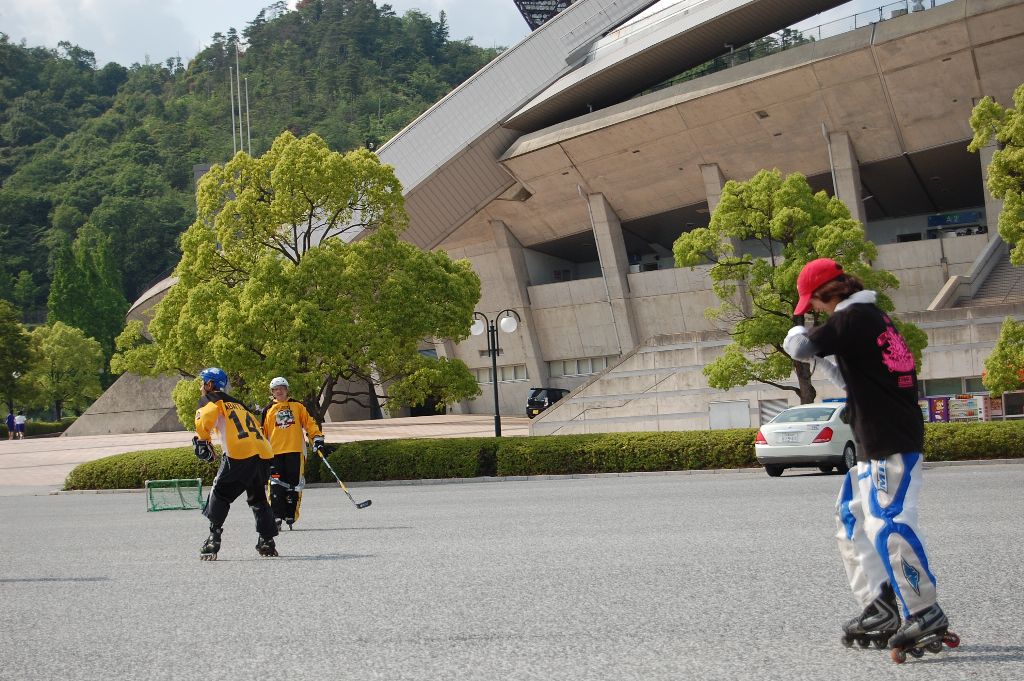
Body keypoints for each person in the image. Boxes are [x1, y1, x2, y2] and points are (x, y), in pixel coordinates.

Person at [783, 258, 956, 661]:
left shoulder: (853, 318)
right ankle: (879, 604)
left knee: (889, 521)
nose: (815, 311)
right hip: (875, 438)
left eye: (816, 304)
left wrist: (796, 336)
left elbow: (803, 345)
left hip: (887, 439)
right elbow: (852, 379)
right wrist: (819, 358)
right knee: (852, 518)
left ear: (831, 293)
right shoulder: (871, 319)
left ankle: (923, 608)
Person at [193, 367, 279, 560]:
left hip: (240, 453)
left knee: (220, 493)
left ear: (210, 384)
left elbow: (205, 417)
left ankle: (213, 538)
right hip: (263, 452)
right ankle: (267, 540)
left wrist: (202, 439)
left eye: (203, 382)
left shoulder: (212, 397)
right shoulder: (239, 405)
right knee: (258, 499)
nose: (201, 387)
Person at [261, 376, 325, 530]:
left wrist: (316, 437)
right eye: (276, 389)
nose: (279, 391)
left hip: (295, 452)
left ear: (287, 389)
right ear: (272, 392)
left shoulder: (297, 406)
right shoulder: (268, 410)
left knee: (293, 486)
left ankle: (290, 514)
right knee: (275, 485)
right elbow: (262, 433)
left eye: (282, 388)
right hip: (274, 454)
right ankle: (276, 516)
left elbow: (309, 423)